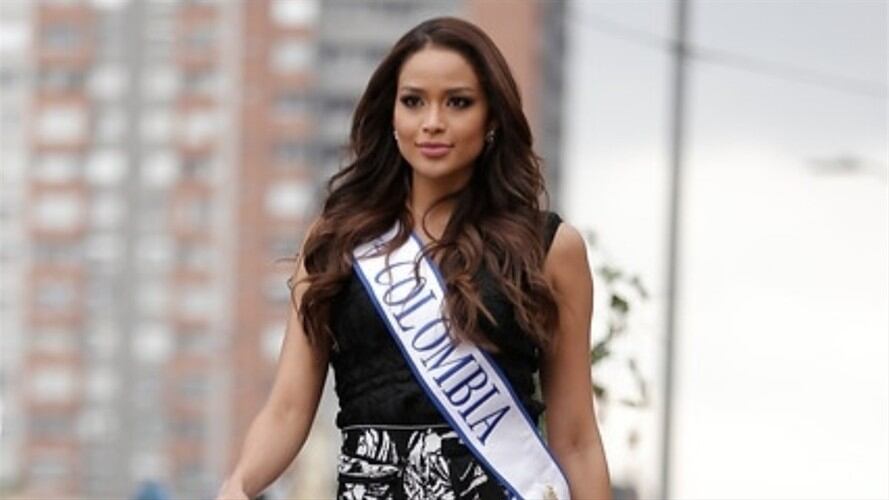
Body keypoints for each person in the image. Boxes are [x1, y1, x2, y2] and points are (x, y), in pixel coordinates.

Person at [217, 16, 611, 500]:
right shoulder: (338, 240)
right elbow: (288, 409)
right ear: (392, 114)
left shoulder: (548, 249)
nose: (432, 122)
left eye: (458, 102)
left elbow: (575, 438)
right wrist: (239, 484)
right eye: (413, 101)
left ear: (491, 119)